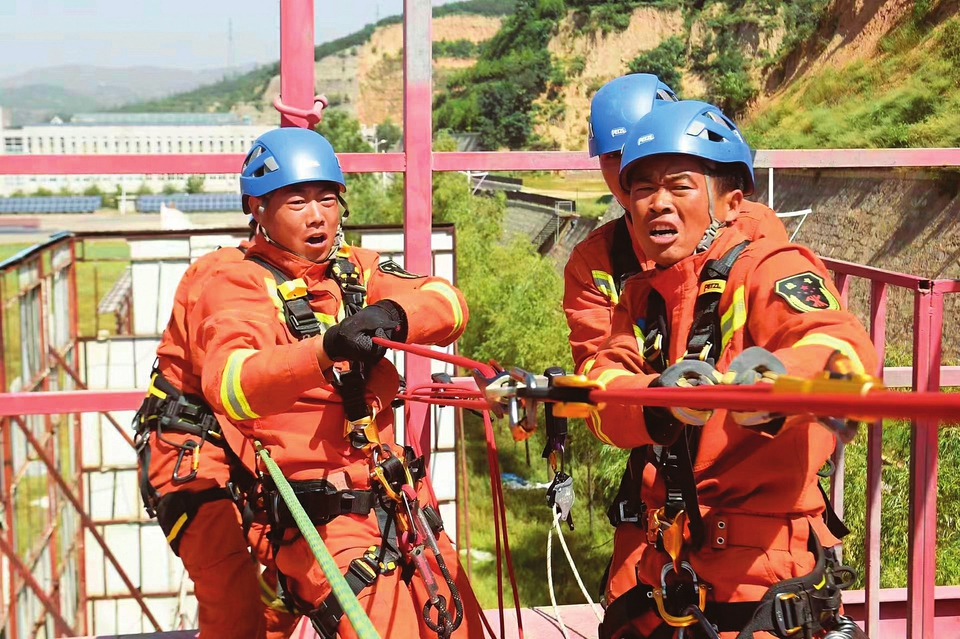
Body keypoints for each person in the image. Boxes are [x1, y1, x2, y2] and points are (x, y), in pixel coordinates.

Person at [585, 100, 876, 639]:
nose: (657, 203)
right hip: (670, 562)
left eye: (679, 186)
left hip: (759, 568)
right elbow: (601, 396)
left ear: (729, 202)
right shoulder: (643, 299)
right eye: (642, 189)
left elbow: (843, 352)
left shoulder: (770, 268)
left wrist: (775, 384)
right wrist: (654, 400)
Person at [187, 127, 485, 638]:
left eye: (327, 199)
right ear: (257, 207)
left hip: (400, 498)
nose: (317, 215)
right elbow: (232, 383)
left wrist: (393, 316)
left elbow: (448, 303)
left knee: (460, 625)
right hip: (325, 518)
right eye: (297, 201)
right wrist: (323, 351)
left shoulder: (356, 271)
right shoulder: (238, 284)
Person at [134, 220, 299, 638]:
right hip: (191, 452)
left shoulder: (319, 285)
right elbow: (233, 375)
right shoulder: (223, 275)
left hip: (253, 450)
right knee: (230, 597)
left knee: (300, 573)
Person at [566, 74, 789, 374]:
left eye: (678, 185)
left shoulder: (753, 230)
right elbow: (600, 369)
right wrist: (662, 394)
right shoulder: (593, 262)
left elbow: (805, 335)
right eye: (613, 156)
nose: (626, 168)